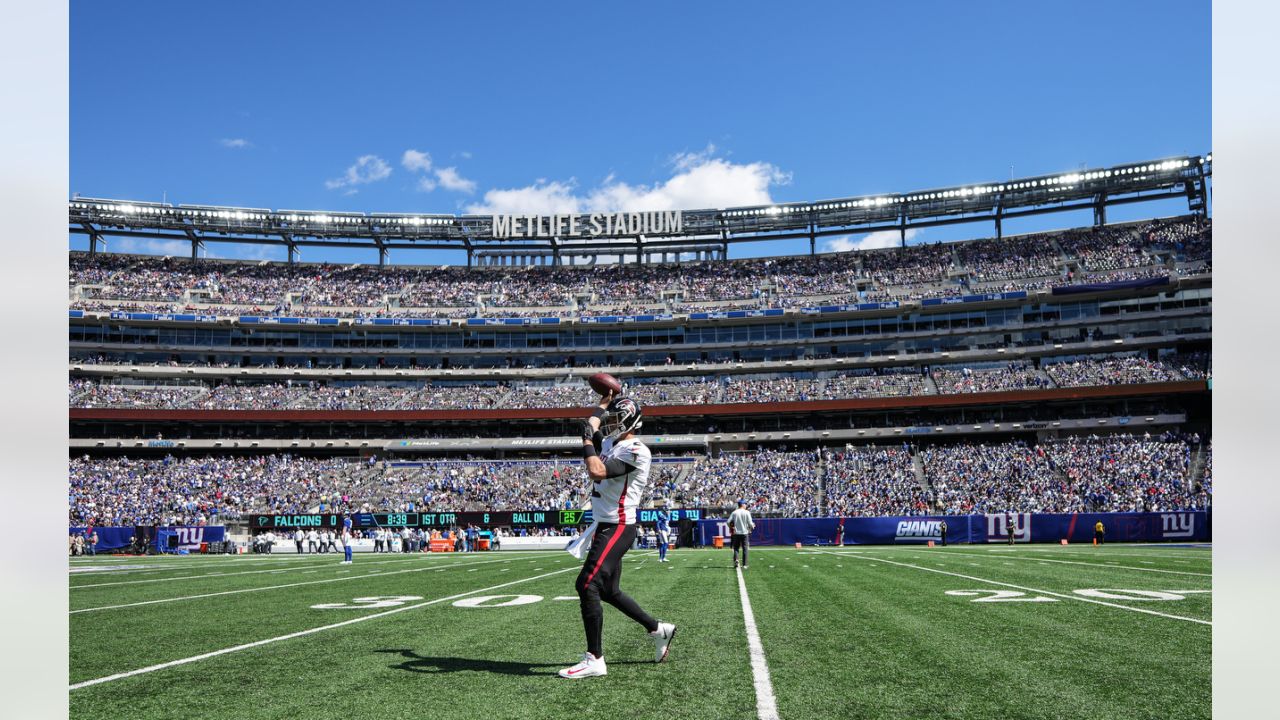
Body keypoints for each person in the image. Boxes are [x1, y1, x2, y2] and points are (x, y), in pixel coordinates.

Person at [559, 393, 676, 680]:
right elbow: (591, 424)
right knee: (609, 591)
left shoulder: (636, 450)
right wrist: (603, 403)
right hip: (605, 524)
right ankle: (658, 629)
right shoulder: (614, 442)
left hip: (619, 525)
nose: (608, 424)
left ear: (629, 422)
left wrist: (587, 441)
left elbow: (597, 470)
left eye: (614, 419)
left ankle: (595, 659)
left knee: (587, 584)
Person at [728, 500, 755, 569]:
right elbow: (750, 523)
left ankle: (736, 560)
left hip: (736, 533)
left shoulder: (734, 512)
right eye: (745, 504)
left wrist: (731, 527)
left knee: (736, 548)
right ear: (742, 505)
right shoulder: (747, 512)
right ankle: (745, 564)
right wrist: (752, 526)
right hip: (744, 533)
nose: (746, 505)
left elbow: (728, 522)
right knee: (745, 549)